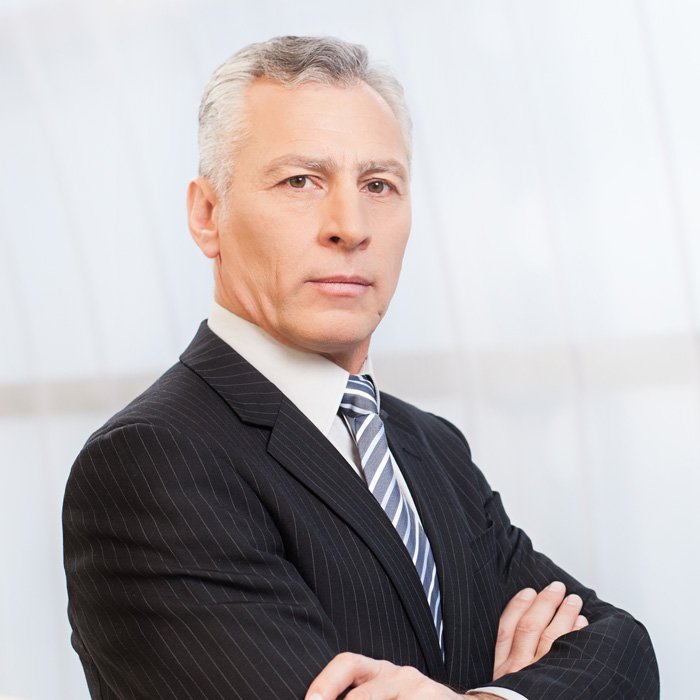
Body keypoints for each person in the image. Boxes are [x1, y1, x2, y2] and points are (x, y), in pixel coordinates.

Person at [62, 36, 659, 699]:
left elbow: (623, 652)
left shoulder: (430, 446)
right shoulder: (152, 462)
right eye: (300, 181)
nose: (350, 226)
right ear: (208, 216)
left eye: (378, 185)